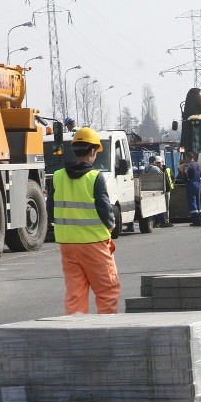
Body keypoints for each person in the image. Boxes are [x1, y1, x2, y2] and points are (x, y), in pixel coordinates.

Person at [47, 127, 120, 315]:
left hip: (68, 244)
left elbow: (51, 210)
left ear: (74, 150)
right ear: (93, 151)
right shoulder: (95, 177)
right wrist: (111, 225)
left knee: (76, 293)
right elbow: (104, 209)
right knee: (107, 291)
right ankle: (106, 332)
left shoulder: (57, 176)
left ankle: (76, 332)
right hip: (94, 243)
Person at [182, 151, 201, 226]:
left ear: (187, 157)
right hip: (198, 184)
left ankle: (196, 221)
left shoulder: (188, 165)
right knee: (198, 202)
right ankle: (199, 220)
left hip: (191, 184)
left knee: (192, 203)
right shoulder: (198, 164)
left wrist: (187, 179)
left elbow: (184, 172)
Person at [156, 156, 174, 227]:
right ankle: (159, 221)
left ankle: (166, 221)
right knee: (159, 207)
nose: (158, 164)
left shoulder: (167, 170)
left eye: (159, 163)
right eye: (157, 163)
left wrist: (171, 186)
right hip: (159, 192)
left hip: (167, 191)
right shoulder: (156, 170)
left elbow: (172, 178)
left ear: (162, 162)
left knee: (166, 206)